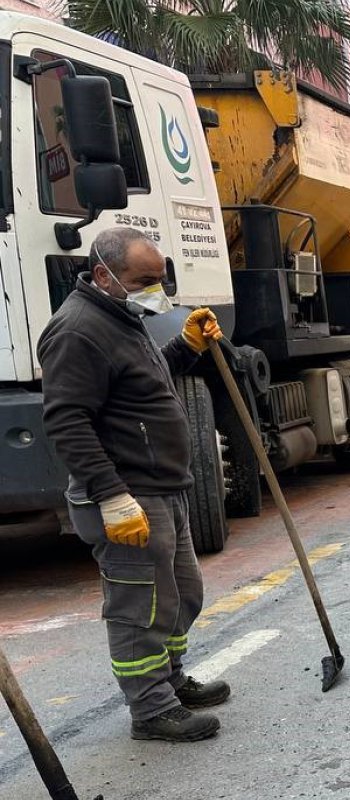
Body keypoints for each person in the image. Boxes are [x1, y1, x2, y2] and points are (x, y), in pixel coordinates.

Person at [37, 227, 230, 742]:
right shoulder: (77, 331)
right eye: (144, 281)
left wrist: (185, 348)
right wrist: (111, 495)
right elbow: (67, 421)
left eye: (160, 280)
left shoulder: (120, 317)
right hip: (128, 496)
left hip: (162, 489)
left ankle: (170, 681)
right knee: (139, 608)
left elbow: (144, 383)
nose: (155, 291)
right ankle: (151, 709)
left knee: (181, 596)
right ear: (103, 275)